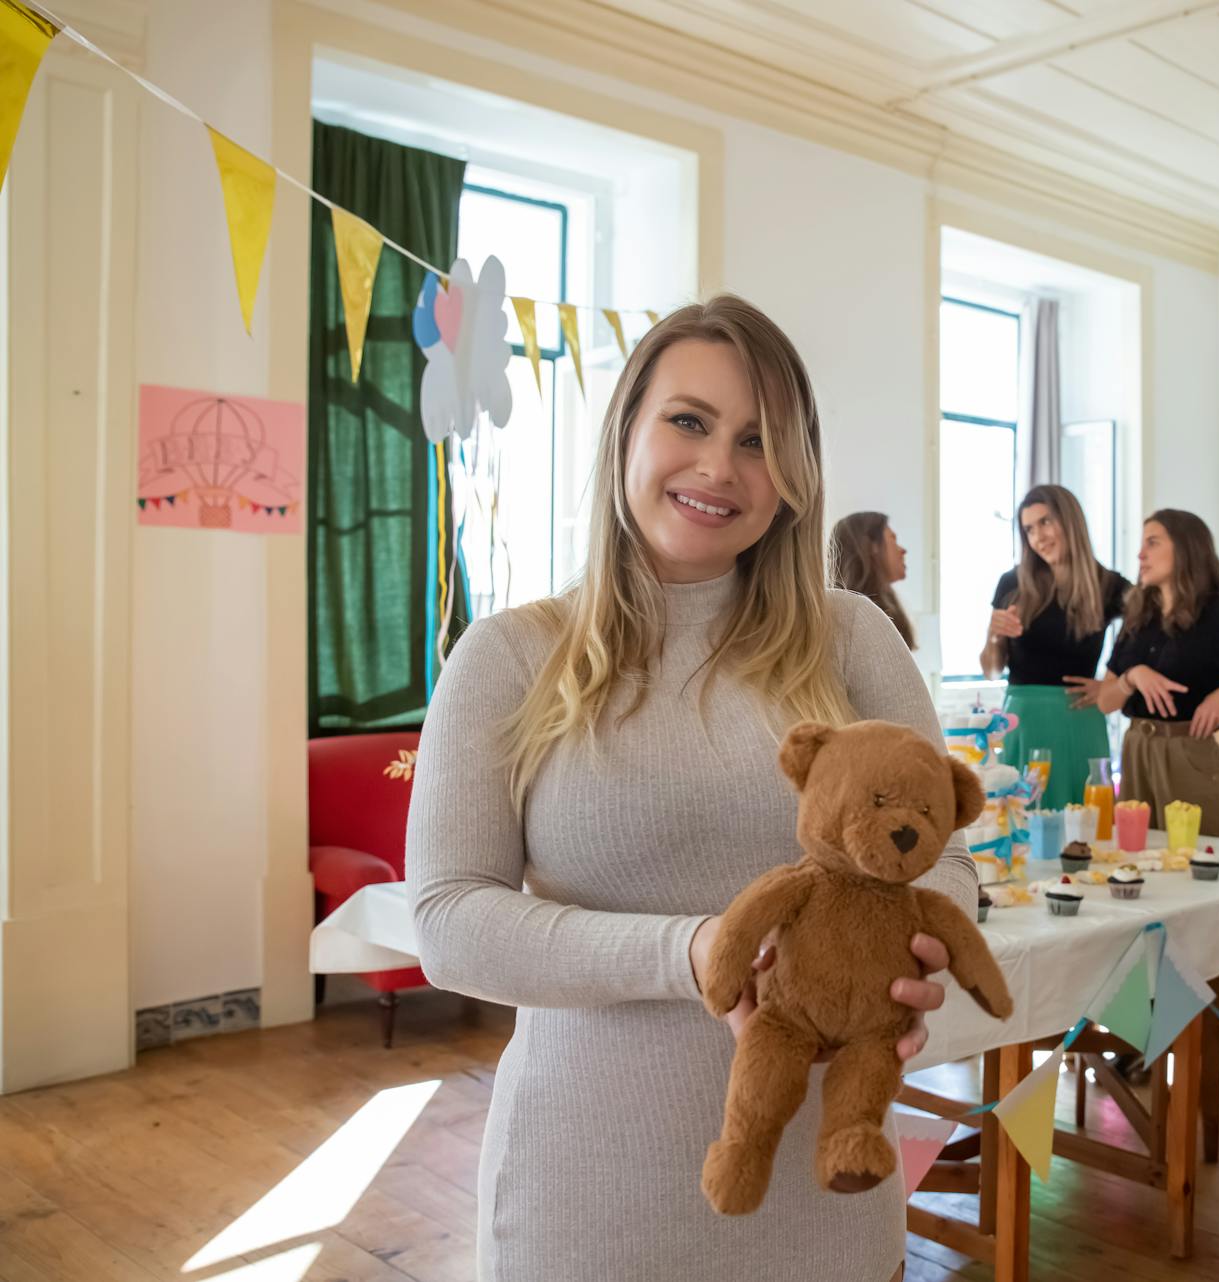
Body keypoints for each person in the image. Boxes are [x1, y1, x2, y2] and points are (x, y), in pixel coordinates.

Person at [406, 296, 975, 1282]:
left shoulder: (850, 642)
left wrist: (914, 961)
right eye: (689, 421)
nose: (718, 466)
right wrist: (693, 950)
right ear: (627, 427)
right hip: (588, 1198)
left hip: (825, 1204)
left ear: (794, 476)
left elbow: (951, 871)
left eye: (758, 440)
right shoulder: (510, 656)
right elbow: (450, 922)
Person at [1093, 510, 1219, 839]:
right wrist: (1133, 676)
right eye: (1141, 544)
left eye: (1153, 542)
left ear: (1186, 549)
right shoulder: (1137, 617)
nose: (1140, 554)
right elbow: (1104, 701)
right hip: (1136, 751)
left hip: (1190, 751)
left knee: (1204, 856)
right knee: (1137, 858)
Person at [980, 484, 1129, 810]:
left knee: (1088, 829)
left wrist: (1116, 682)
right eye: (1029, 529)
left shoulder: (1110, 585)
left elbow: (1150, 638)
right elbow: (991, 669)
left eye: (1046, 522)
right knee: (1023, 826)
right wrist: (994, 636)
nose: (1038, 537)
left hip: (1081, 719)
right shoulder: (1012, 583)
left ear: (1070, 521)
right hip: (1024, 719)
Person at [830, 511, 915, 649]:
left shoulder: (885, 608)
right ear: (872, 547)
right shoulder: (856, 618)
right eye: (893, 539)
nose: (903, 550)